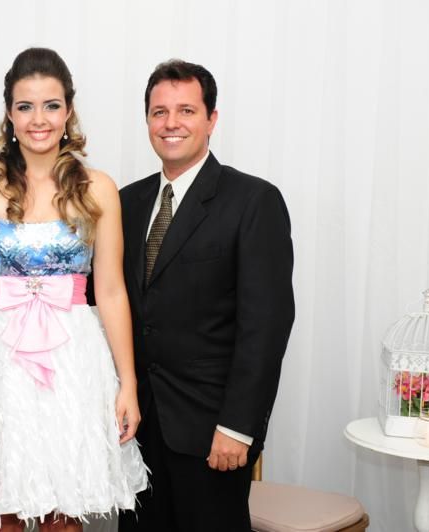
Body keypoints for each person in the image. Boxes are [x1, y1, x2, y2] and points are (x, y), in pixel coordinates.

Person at [0, 47, 148, 531]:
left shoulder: (99, 187)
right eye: (25, 106)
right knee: (2, 506)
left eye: (51, 105)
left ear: (69, 110)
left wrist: (128, 382)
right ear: (9, 113)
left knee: (65, 506)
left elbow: (112, 292)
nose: (39, 119)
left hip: (73, 356)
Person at [117, 59, 295, 531]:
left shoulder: (253, 201)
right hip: (137, 429)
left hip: (212, 431)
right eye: (159, 112)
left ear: (212, 119)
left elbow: (266, 327)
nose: (170, 123)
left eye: (186, 111)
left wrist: (238, 427)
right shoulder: (126, 202)